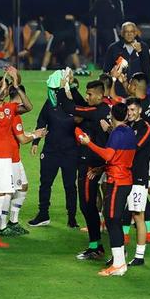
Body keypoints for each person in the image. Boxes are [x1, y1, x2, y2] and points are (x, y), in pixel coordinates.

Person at [76, 103, 136, 276]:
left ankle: (119, 264)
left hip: (117, 181)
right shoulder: (128, 131)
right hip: (124, 179)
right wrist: (101, 169)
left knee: (111, 220)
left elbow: (109, 155)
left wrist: (89, 143)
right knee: (113, 220)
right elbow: (119, 156)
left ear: (112, 115)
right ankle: (120, 260)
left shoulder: (117, 133)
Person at [0, 67, 32, 248]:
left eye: (4, 88)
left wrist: (16, 86)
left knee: (0, 196)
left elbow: (28, 106)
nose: (2, 90)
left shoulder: (11, 108)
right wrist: (0, 90)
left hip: (4, 161)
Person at [59, 78, 111, 259]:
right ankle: (95, 245)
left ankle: (96, 247)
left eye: (90, 94)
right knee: (88, 206)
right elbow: (82, 104)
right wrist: (73, 88)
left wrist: (61, 88)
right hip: (94, 164)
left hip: (90, 166)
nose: (88, 97)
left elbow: (72, 108)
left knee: (87, 206)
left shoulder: (97, 112)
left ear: (99, 95)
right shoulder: (103, 108)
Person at [29, 71, 80, 227]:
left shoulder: (75, 104)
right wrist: (35, 142)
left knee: (70, 186)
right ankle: (43, 214)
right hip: (51, 151)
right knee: (45, 183)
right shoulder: (50, 103)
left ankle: (72, 217)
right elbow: (41, 121)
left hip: (70, 152)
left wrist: (71, 87)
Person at [0, 86, 46, 236]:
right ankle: (2, 226)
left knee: (22, 187)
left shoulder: (6, 110)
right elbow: (22, 139)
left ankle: (13, 221)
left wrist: (31, 133)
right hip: (10, 160)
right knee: (8, 191)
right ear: (20, 96)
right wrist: (36, 135)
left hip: (13, 158)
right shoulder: (14, 114)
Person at [122, 98, 150, 266]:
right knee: (122, 214)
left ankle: (140, 256)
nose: (130, 113)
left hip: (138, 179)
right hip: (125, 177)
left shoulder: (145, 128)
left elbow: (136, 146)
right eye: (128, 110)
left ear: (140, 110)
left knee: (138, 215)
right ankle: (121, 252)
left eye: (133, 110)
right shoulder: (129, 126)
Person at [104, 22, 150, 98]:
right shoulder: (113, 48)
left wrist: (141, 52)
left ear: (136, 33)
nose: (129, 34)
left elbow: (147, 69)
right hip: (118, 91)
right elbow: (106, 70)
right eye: (126, 32)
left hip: (138, 90)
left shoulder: (143, 47)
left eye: (132, 32)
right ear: (122, 33)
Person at [90, 0, 124, 66]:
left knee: (102, 48)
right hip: (111, 30)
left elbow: (92, 13)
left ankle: (101, 65)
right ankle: (111, 66)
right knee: (113, 48)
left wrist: (93, 26)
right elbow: (120, 16)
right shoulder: (117, 1)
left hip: (99, 30)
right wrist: (122, 29)